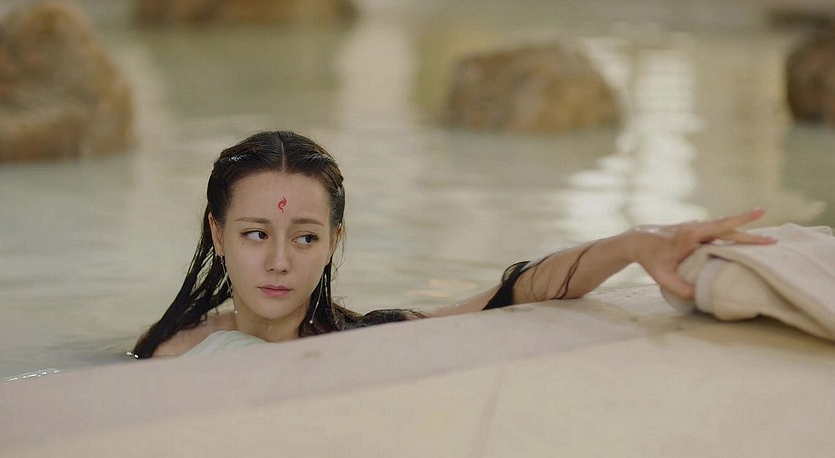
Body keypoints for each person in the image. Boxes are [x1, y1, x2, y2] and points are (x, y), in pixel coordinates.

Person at [132, 131, 776, 358]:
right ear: (217, 234)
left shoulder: (366, 341)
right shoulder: (169, 349)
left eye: (305, 237)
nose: (279, 262)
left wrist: (634, 244)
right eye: (255, 234)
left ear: (333, 243)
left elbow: (513, 293)